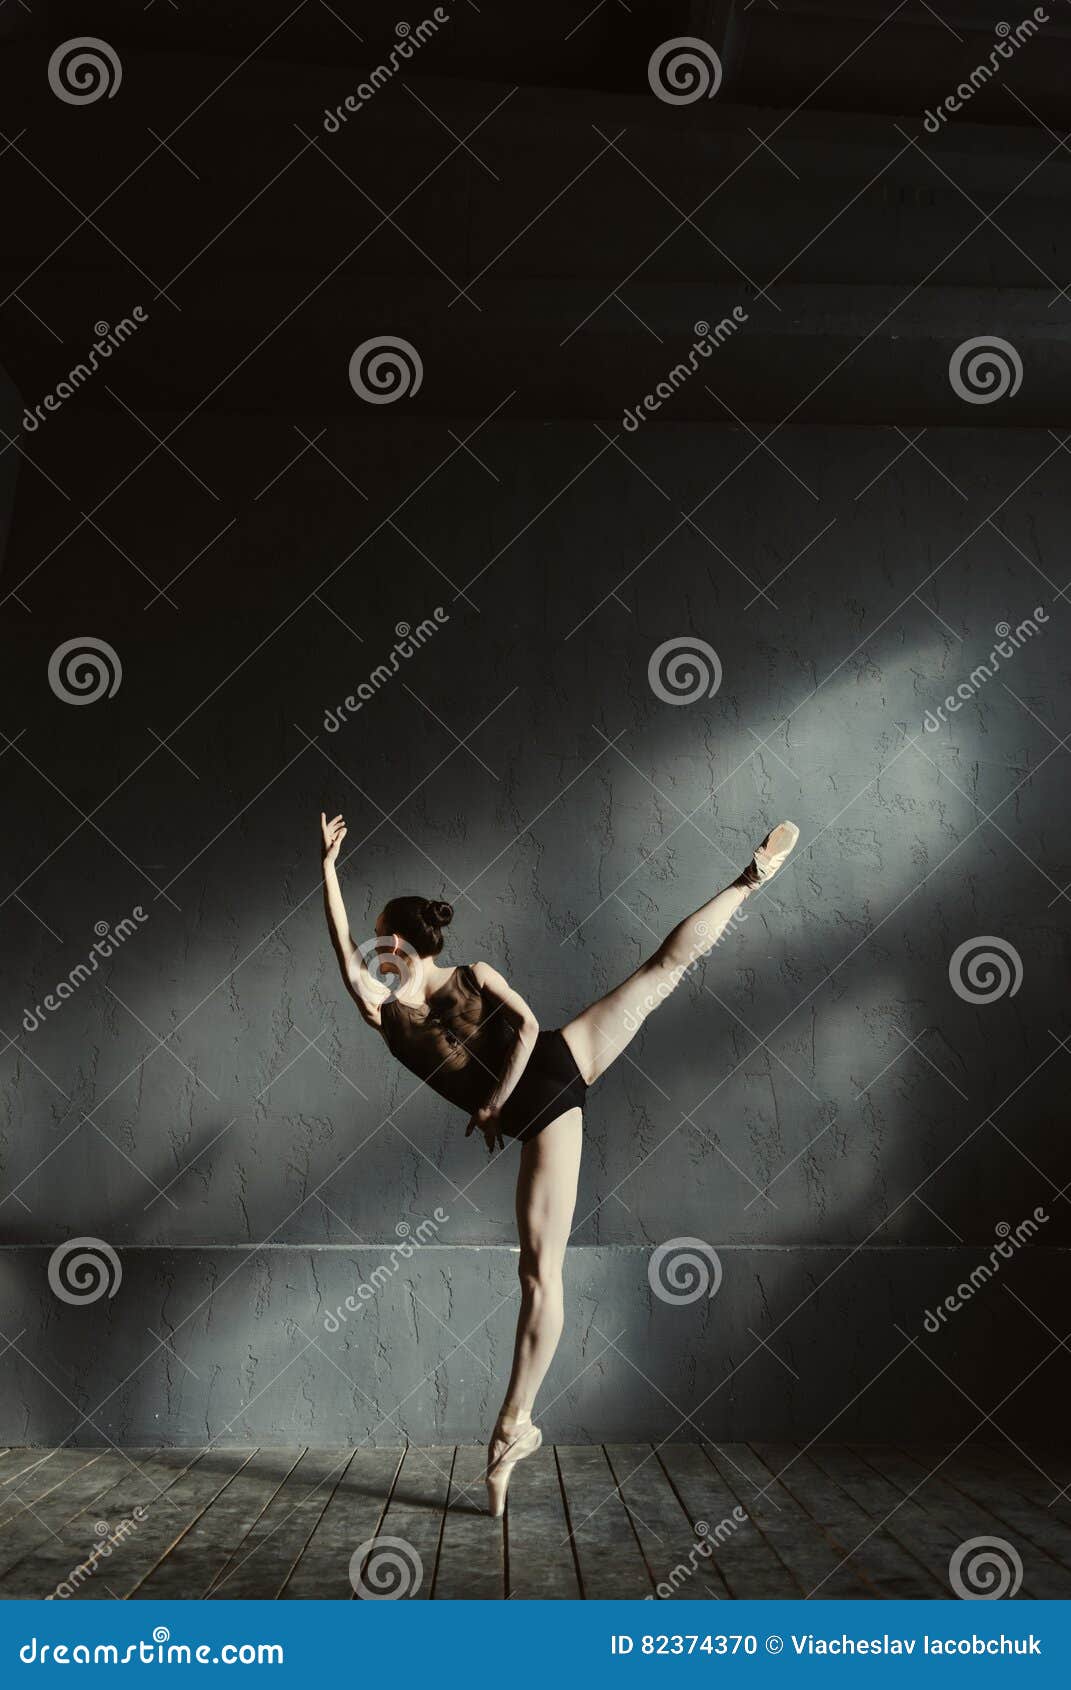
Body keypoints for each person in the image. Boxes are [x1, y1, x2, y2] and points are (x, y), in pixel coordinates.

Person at [320, 812, 799, 1515]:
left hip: (542, 1103)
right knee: (662, 970)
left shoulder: (385, 1010)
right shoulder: (465, 975)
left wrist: (489, 1110)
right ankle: (750, 878)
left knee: (540, 1277)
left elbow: (513, 1038)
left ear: (391, 945)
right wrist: (328, 868)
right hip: (567, 1053)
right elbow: (524, 1026)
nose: (367, 953)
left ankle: (510, 1429)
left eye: (374, 941)